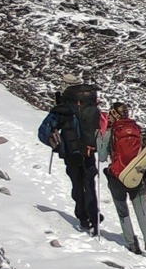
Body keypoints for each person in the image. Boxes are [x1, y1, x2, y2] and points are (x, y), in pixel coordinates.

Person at [37, 82, 104, 234]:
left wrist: (56, 145)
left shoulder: (62, 111)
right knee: (90, 186)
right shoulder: (92, 108)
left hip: (70, 153)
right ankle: (94, 219)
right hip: (88, 153)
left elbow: (43, 131)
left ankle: (83, 219)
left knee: (77, 185)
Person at [100, 100, 146, 259]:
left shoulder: (111, 132)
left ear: (114, 113)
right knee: (142, 213)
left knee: (123, 212)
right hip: (136, 175)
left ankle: (132, 245)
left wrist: (102, 136)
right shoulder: (136, 128)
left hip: (117, 177)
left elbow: (101, 156)